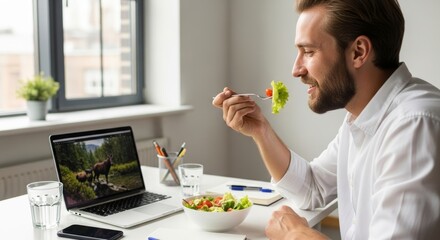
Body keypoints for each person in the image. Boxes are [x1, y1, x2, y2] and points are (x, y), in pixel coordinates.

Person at [212, 0, 440, 239]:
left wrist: (296, 234)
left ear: (358, 52)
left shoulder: (414, 124)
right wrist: (261, 130)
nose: (296, 69)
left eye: (308, 52)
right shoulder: (362, 117)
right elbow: (313, 189)